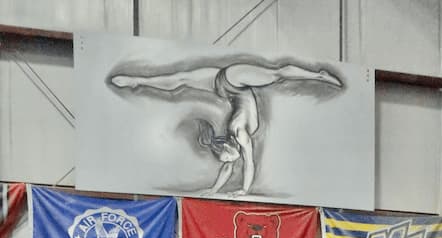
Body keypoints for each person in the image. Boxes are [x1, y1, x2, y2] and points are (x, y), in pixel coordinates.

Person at [111, 61, 342, 195]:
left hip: (233, 80)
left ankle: (319, 75)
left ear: (229, 148)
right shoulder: (237, 138)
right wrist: (220, 190)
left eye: (227, 159)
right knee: (178, 80)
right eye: (228, 160)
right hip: (225, 84)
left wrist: (239, 190)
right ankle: (136, 81)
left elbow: (244, 163)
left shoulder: (239, 133)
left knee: (277, 74)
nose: (230, 163)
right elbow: (236, 166)